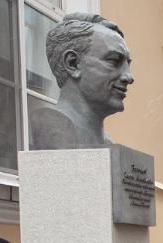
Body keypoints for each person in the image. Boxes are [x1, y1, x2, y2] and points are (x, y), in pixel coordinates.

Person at [29, 14, 133, 150]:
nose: (129, 77)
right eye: (114, 60)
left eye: (128, 64)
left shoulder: (108, 144)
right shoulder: (49, 127)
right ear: (72, 63)